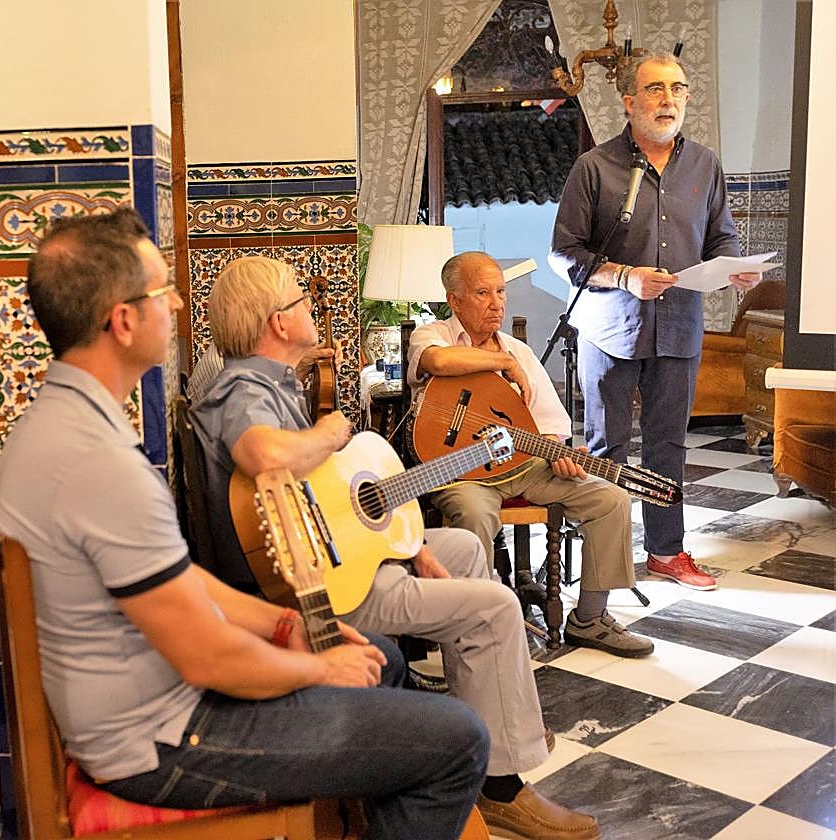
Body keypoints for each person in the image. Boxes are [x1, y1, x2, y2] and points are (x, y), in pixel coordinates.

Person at [0, 209, 491, 840]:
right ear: (122, 321)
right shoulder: (99, 463)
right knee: (460, 740)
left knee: (381, 657)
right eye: (161, 291)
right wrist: (317, 669)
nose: (177, 303)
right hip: (165, 739)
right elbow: (207, 657)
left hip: (146, 709)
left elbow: (180, 581)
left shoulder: (64, 423)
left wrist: (286, 626)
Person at [194, 255, 601, 840]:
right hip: (315, 584)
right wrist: (331, 431)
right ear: (279, 323)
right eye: (302, 301)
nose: (312, 307)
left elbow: (322, 495)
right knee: (496, 607)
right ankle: (501, 786)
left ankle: (489, 731)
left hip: (326, 550)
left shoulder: (268, 383)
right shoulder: (243, 389)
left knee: (461, 548)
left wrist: (405, 544)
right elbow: (263, 455)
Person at [550, 52, 762, 591]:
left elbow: (721, 236)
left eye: (678, 88)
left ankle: (666, 552)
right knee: (608, 448)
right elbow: (564, 253)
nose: (669, 99)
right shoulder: (594, 167)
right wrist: (625, 277)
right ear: (629, 102)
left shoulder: (705, 165)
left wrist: (734, 268)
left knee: (668, 445)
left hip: (679, 327)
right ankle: (605, 559)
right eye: (655, 89)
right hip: (609, 329)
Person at [409, 250, 654, 664]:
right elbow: (438, 361)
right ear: (454, 300)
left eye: (501, 292)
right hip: (461, 471)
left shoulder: (519, 351)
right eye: (483, 293)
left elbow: (548, 425)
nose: (497, 303)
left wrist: (558, 452)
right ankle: (477, 623)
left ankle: (590, 618)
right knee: (474, 515)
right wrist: (502, 361)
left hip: (525, 465)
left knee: (611, 498)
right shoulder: (432, 335)